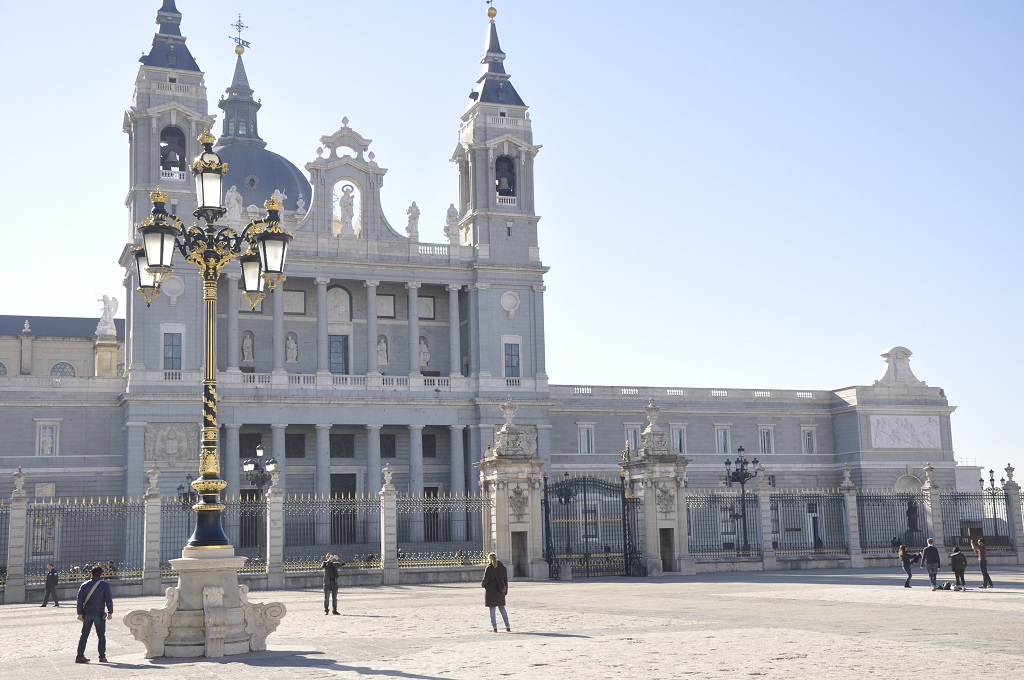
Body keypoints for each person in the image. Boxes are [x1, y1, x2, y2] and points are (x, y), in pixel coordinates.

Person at [76, 565, 113, 664]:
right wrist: (110, 612)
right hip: (99, 613)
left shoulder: (84, 585)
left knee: (84, 635)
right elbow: (108, 599)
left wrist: (80, 613)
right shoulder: (104, 585)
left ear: (91, 574)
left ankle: (79, 656)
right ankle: (102, 656)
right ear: (101, 574)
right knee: (101, 635)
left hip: (87, 613)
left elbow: (79, 600)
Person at [481, 552, 510, 632]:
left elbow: (485, 580)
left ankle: (495, 628)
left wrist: (483, 585)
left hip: (491, 591)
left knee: (492, 610)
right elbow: (506, 581)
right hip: (500, 591)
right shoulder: (503, 568)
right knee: (502, 609)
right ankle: (507, 626)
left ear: (489, 559)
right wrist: (505, 591)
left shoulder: (489, 568)